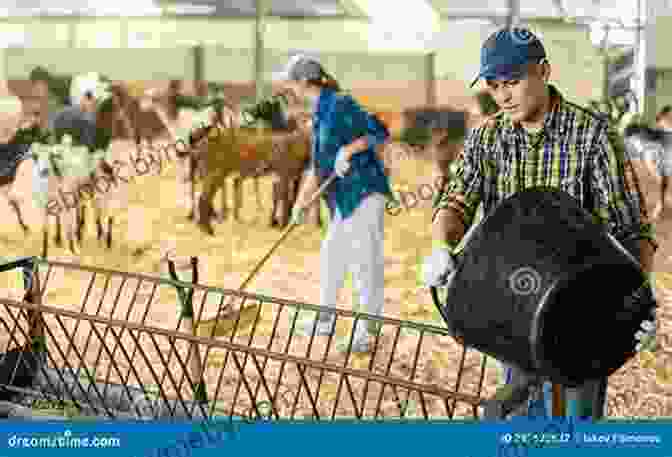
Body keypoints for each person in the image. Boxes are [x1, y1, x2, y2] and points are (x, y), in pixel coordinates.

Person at [422, 27, 657, 419]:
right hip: (511, 308)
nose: (503, 96)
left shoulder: (593, 137)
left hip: (583, 313)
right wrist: (441, 246)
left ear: (544, 71)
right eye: (495, 86)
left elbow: (631, 229)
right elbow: (457, 200)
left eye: (513, 82)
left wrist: (635, 303)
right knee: (520, 419)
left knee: (572, 424)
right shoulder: (487, 139)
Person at [274, 54, 393, 353]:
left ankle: (367, 331)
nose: (289, 88)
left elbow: (379, 130)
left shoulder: (340, 103)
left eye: (290, 82)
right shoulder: (319, 113)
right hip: (344, 198)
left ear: (303, 82)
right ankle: (325, 320)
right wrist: (301, 204)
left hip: (364, 192)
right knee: (332, 256)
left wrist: (349, 151)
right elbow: (318, 167)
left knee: (364, 262)